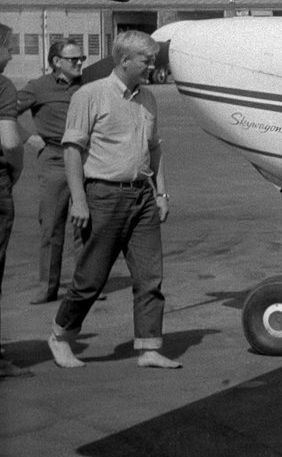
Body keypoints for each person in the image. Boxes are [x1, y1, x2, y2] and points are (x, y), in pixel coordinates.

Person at [47, 30, 178, 370]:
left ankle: (149, 348)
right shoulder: (90, 95)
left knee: (150, 278)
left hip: (142, 198)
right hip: (102, 196)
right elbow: (72, 149)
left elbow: (154, 148)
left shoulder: (148, 98)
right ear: (124, 61)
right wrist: (78, 199)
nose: (152, 67)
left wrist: (161, 194)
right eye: (146, 61)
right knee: (90, 279)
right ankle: (60, 336)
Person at [18, 39, 86, 304]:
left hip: (86, 159)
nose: (80, 62)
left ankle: (83, 287)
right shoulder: (38, 88)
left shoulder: (88, 85)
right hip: (55, 159)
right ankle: (48, 287)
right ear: (57, 62)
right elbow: (4, 113)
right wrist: (28, 137)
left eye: (82, 58)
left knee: (85, 225)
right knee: (52, 225)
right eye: (74, 59)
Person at [0, 24, 34, 378]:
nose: (10, 56)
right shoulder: (3, 85)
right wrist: (14, 172)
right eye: (7, 48)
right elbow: (9, 141)